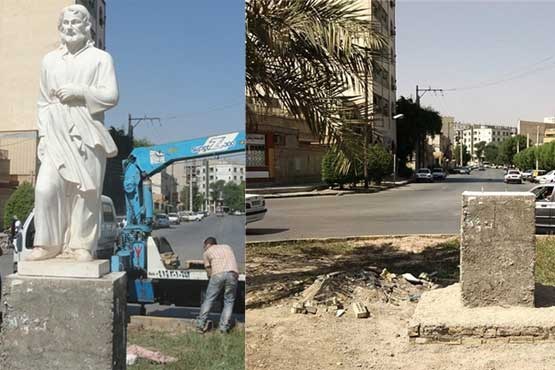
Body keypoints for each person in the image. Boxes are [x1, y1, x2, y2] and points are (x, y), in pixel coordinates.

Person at [27, 5, 118, 261]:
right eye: (65, 23)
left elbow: (111, 96)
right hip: (55, 132)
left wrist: (81, 92)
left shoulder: (101, 58)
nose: (69, 28)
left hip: (86, 131)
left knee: (86, 192)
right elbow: (43, 102)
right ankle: (47, 243)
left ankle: (81, 244)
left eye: (75, 23)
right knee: (45, 188)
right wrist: (43, 136)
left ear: (87, 26)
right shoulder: (49, 60)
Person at [196, 237, 239, 333]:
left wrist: (210, 277)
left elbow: (208, 270)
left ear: (207, 244)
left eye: (204, 246)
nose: (204, 248)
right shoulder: (227, 247)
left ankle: (200, 325)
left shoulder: (207, 252)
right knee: (229, 301)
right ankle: (223, 328)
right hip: (233, 274)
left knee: (209, 299)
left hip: (218, 274)